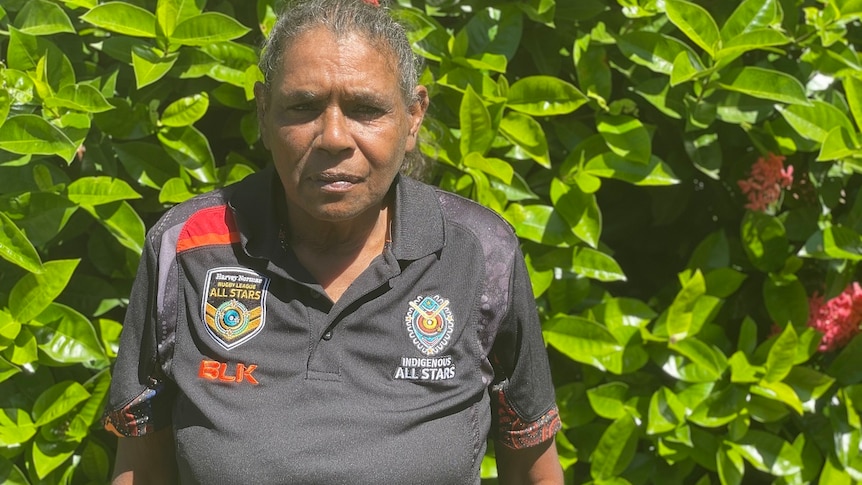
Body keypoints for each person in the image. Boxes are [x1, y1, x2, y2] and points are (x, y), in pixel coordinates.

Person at [102, 0, 563, 483]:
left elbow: (532, 467)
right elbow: (140, 468)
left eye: (366, 109)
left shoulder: (479, 253)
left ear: (414, 116)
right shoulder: (188, 247)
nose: (334, 137)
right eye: (303, 107)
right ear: (263, 110)